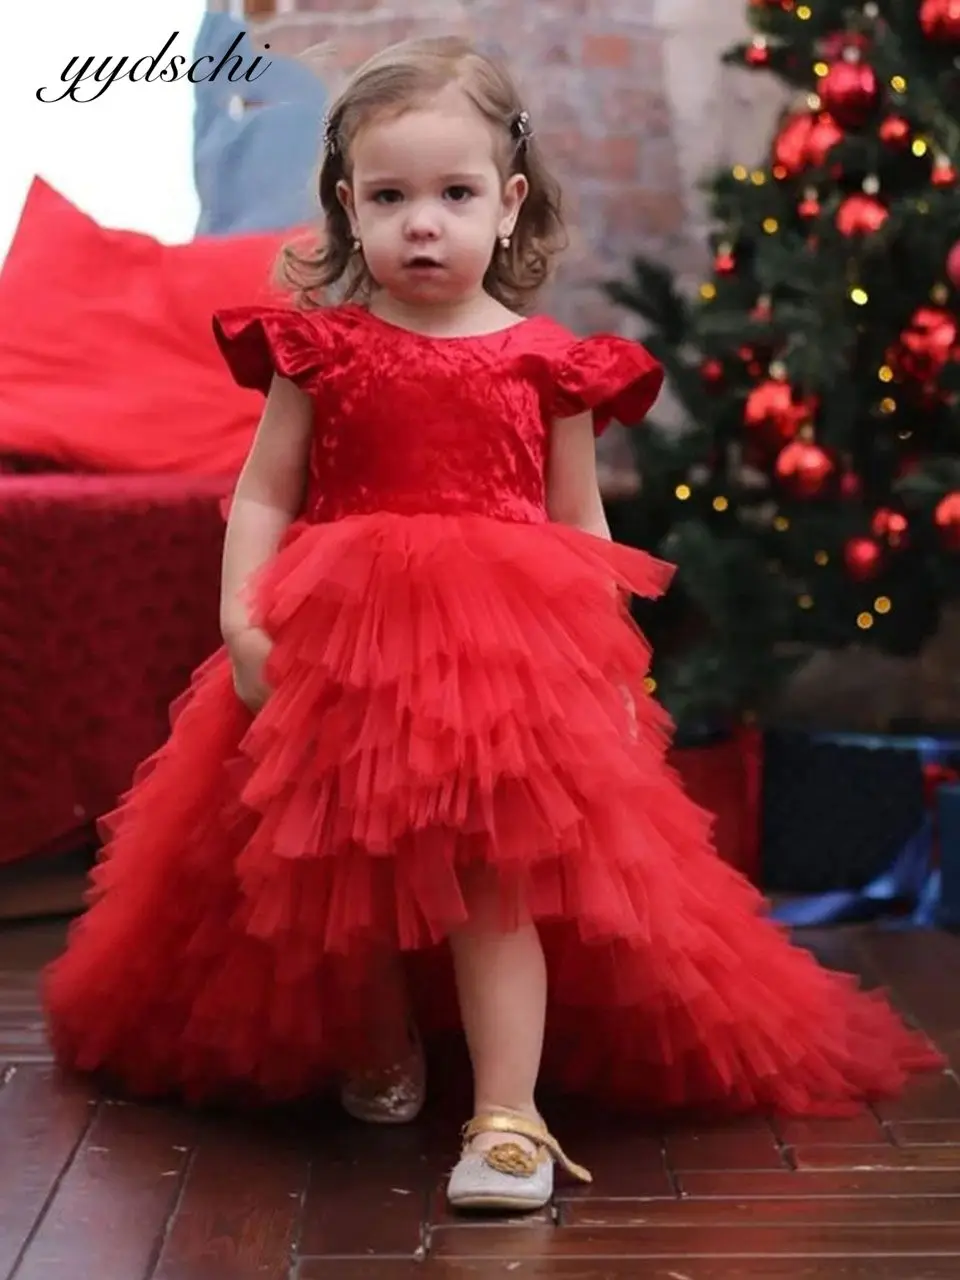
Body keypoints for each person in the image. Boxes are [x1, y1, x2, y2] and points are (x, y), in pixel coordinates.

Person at [43, 35, 943, 1215]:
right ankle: (377, 1041)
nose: (424, 224)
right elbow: (263, 490)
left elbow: (579, 527)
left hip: (503, 662)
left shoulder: (548, 365)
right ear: (346, 205)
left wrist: (611, 670)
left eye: (454, 194)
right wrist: (240, 617)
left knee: (494, 882)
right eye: (390, 197)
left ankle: (509, 1114)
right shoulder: (323, 350)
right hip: (339, 644)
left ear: (508, 202)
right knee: (339, 874)